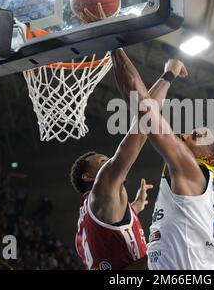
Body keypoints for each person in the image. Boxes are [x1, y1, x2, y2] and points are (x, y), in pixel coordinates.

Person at [112, 49, 214, 270]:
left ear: (208, 158)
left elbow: (145, 111)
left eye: (196, 136)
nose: (184, 135)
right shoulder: (192, 189)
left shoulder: (192, 170)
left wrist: (114, 44)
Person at [71, 50, 178, 270]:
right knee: (171, 252)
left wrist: (135, 207)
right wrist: (169, 75)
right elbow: (144, 122)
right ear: (89, 176)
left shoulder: (89, 215)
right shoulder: (103, 186)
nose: (109, 161)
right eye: (102, 161)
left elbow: (111, 231)